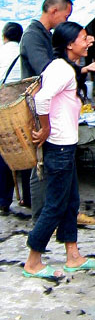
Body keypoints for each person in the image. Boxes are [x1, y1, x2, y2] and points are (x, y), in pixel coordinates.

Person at [22, 22, 95, 279]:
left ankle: (74, 256)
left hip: (64, 146)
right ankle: (33, 260)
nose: (88, 41)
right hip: (58, 147)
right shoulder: (62, 70)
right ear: (69, 44)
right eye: (83, 37)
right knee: (56, 205)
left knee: (71, 202)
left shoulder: (65, 67)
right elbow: (41, 99)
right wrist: (46, 127)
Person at [19, 0, 73, 221]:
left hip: (43, 103)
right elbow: (46, 69)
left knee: (44, 160)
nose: (66, 19)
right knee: (38, 162)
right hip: (36, 105)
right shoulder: (33, 36)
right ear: (53, 11)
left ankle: (48, 212)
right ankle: (40, 216)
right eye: (66, 15)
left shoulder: (44, 36)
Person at [0, 22, 30, 214]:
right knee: (26, 149)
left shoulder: (1, 53)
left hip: (3, 108)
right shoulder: (24, 54)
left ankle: (3, 200)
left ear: (4, 37)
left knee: (3, 152)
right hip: (22, 109)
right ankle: (28, 197)